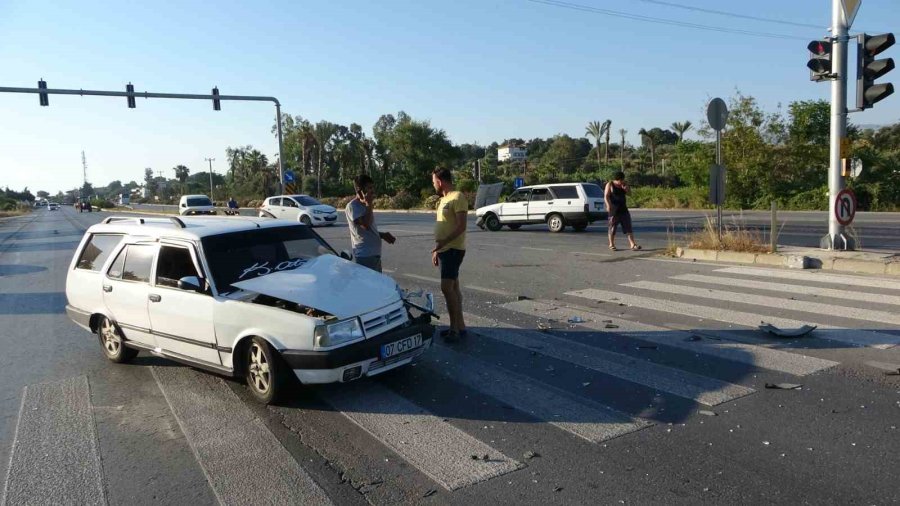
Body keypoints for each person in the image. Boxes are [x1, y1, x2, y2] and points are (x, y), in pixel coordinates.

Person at [431, 167, 468, 342]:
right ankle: (460, 326)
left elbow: (461, 226)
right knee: (454, 288)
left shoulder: (457, 197)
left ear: (439, 181)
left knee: (446, 288)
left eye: (433, 182)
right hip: (445, 249)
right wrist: (437, 249)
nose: (433, 185)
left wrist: (444, 243)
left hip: (453, 249)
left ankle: (454, 329)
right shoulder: (443, 199)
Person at [345, 174, 396, 272]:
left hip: (373, 255)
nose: (372, 190)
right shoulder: (353, 206)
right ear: (359, 190)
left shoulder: (365, 205)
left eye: (372, 187)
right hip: (365, 256)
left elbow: (367, 230)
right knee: (371, 285)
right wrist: (369, 204)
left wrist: (381, 235)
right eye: (369, 188)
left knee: (377, 285)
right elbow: (365, 225)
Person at [604, 171, 640, 251]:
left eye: (622, 180)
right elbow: (606, 196)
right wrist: (608, 205)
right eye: (620, 180)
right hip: (614, 210)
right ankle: (611, 244)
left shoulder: (624, 184)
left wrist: (626, 189)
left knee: (628, 227)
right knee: (612, 228)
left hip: (623, 209)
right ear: (617, 179)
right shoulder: (610, 184)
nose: (621, 181)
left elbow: (630, 194)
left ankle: (632, 244)